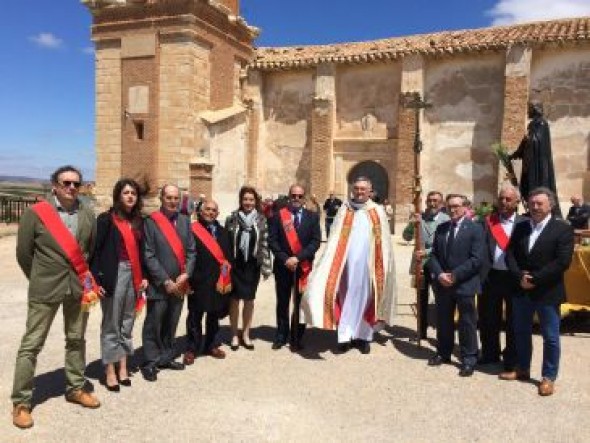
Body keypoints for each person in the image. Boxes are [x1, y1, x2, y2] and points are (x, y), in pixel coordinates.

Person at [11, 165, 100, 429]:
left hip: (76, 288)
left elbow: (89, 251)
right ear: (55, 185)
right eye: (66, 183)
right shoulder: (36, 214)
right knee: (32, 344)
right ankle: (21, 402)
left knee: (76, 339)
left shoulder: (87, 214)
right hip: (45, 288)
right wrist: (39, 277)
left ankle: (75, 388)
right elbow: (24, 254)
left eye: (76, 183)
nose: (71, 187)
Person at [304, 177, 396, 354]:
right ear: (352, 190)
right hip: (344, 264)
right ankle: (345, 336)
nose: (359, 192)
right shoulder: (344, 210)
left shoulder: (377, 211)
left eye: (363, 189)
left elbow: (383, 243)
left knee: (366, 298)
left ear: (370, 191)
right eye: (356, 189)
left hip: (367, 265)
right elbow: (335, 238)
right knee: (345, 297)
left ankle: (363, 337)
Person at [502, 187, 574, 396]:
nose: (534, 207)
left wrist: (535, 279)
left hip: (547, 292)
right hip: (522, 290)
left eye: (539, 203)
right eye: (532, 203)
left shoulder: (562, 229)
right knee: (521, 332)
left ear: (550, 205)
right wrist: (519, 277)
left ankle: (548, 377)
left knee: (550, 337)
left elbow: (562, 262)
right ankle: (522, 368)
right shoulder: (522, 226)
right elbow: (510, 254)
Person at [91, 178, 147, 391]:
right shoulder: (106, 220)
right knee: (111, 324)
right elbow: (95, 251)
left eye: (133, 193)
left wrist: (144, 276)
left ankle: (123, 365)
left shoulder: (139, 222)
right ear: (118, 196)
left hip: (133, 274)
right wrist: (97, 279)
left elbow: (141, 252)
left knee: (127, 322)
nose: (130, 196)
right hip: (113, 275)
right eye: (126, 193)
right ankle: (109, 369)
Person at [142, 184, 196, 381]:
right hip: (159, 284)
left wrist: (186, 274)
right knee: (154, 322)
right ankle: (150, 361)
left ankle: (166, 356)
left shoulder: (184, 220)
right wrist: (164, 280)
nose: (172, 201)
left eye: (175, 198)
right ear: (161, 198)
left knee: (172, 321)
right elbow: (148, 254)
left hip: (180, 283)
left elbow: (191, 251)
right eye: (169, 198)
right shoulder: (151, 222)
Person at [427, 194, 483, 377]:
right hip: (443, 284)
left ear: (465, 207)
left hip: (464, 283)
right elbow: (433, 255)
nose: (453, 209)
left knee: (467, 322)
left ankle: (469, 358)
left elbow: (476, 259)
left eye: (457, 206)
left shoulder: (475, 229)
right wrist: (440, 273)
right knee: (444, 321)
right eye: (450, 206)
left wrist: (455, 275)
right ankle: (443, 353)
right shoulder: (442, 228)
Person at [478, 184, 526, 370]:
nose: (504, 202)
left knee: (514, 320)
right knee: (488, 317)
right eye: (501, 199)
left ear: (516, 202)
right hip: (491, 276)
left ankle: (511, 357)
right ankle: (490, 353)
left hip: (514, 278)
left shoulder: (524, 223)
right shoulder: (487, 221)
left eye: (508, 199)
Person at [268, 184, 321, 351]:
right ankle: (281, 335)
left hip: (303, 267)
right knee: (282, 302)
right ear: (289, 196)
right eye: (293, 195)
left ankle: (297, 336)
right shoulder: (278, 216)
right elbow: (272, 241)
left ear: (304, 198)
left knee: (300, 303)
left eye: (299, 196)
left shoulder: (312, 217)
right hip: (283, 266)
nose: (296, 199)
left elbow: (315, 241)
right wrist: (286, 259)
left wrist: (298, 258)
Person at [225, 186, 272, 350]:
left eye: (251, 200)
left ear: (255, 201)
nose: (248, 202)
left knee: (249, 300)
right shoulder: (232, 219)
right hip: (236, 266)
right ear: (241, 201)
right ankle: (233, 334)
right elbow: (226, 243)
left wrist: (266, 266)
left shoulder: (261, 220)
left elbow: (265, 243)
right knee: (234, 300)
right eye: (245, 199)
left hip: (253, 266)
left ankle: (246, 333)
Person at [186, 199, 232, 360]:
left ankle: (211, 345)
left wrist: (225, 278)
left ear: (218, 214)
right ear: (200, 211)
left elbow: (228, 257)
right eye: (208, 209)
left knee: (213, 315)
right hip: (197, 281)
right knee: (194, 316)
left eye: (214, 210)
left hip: (217, 282)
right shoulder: (192, 230)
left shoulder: (224, 232)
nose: (211, 212)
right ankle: (192, 348)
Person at [403, 191, 450, 340]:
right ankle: (421, 332)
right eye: (430, 200)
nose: (432, 203)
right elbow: (406, 237)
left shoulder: (446, 220)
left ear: (441, 203)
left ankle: (442, 335)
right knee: (421, 299)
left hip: (438, 264)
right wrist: (412, 224)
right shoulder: (419, 217)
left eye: (436, 201)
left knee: (440, 300)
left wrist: (428, 251)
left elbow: (447, 243)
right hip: (420, 265)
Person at [510, 101, 561, 216]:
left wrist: (529, 139)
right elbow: (525, 143)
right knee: (527, 186)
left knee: (536, 186)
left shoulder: (542, 124)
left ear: (535, 109)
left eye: (530, 109)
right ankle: (530, 210)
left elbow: (538, 141)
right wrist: (515, 154)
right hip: (529, 163)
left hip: (538, 165)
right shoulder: (531, 124)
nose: (528, 111)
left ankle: (540, 210)